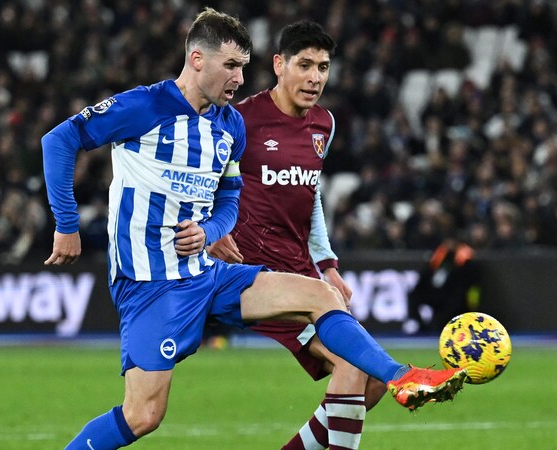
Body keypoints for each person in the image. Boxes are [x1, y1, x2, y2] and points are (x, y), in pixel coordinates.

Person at [42, 8, 466, 450]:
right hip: (152, 284)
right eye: (231, 66)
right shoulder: (145, 106)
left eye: (243, 67)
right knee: (143, 415)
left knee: (322, 296)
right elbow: (59, 140)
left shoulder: (230, 126)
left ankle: (404, 376)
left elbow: (229, 199)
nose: (240, 79)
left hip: (207, 275)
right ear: (197, 59)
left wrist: (210, 233)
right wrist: (66, 224)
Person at [206, 21, 382, 450]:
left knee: (372, 382)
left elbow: (311, 194)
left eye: (323, 67)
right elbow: (199, 181)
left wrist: (327, 265)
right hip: (255, 271)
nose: (315, 77)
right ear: (279, 65)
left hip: (303, 269)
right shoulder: (239, 120)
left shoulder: (324, 124)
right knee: (352, 365)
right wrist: (210, 230)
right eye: (304, 65)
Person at [404, 238, 481, 335]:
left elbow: (464, 285)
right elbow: (427, 276)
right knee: (414, 297)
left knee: (450, 306)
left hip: (453, 296)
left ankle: (436, 327)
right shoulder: (440, 256)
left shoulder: (466, 261)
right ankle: (422, 327)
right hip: (436, 293)